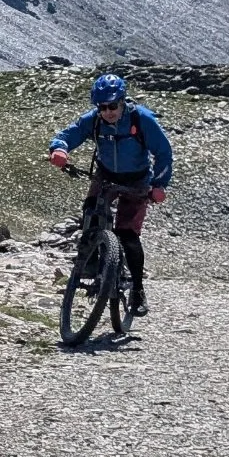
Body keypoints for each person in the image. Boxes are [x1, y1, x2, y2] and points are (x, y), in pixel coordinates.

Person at [47, 71, 173, 315]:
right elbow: (67, 134)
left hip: (137, 180)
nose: (108, 112)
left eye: (112, 106)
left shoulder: (141, 119)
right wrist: (59, 149)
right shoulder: (94, 120)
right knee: (91, 212)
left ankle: (137, 289)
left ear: (123, 100)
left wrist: (158, 185)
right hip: (105, 175)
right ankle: (91, 262)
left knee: (128, 234)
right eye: (102, 107)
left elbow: (164, 153)